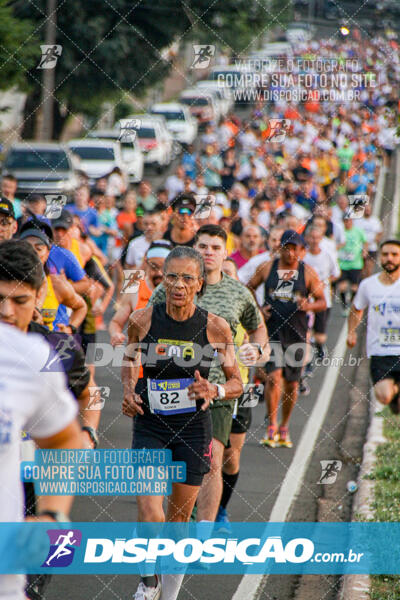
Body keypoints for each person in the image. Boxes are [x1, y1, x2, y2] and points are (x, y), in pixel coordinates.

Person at [122, 246, 243, 600]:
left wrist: (215, 388)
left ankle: (169, 593)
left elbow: (238, 383)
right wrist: (129, 389)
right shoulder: (143, 319)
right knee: (149, 509)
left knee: (178, 521)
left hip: (192, 428)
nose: (178, 284)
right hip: (150, 423)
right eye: (171, 276)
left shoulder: (215, 327)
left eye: (187, 278)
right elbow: (129, 361)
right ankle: (148, 581)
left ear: (199, 284)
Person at [149, 224, 268, 528]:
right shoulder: (169, 288)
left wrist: (257, 347)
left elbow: (258, 326)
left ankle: (202, 536)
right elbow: (147, 325)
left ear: (226, 252)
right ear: (195, 249)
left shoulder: (238, 293)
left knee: (213, 459)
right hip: (172, 386)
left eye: (216, 247)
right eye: (203, 247)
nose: (209, 253)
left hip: (218, 388)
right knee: (176, 466)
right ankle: (179, 525)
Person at [0, 249, 82, 600]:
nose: (6, 312)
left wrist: (53, 516)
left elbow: (65, 441)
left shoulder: (34, 356)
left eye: (18, 301)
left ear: (38, 298)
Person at [248, 230, 326, 448]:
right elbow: (249, 288)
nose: (290, 252)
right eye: (287, 247)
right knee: (274, 377)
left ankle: (284, 426)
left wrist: (308, 306)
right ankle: (271, 425)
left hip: (297, 334)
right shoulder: (267, 268)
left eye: (295, 248)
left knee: (292, 383)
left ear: (302, 251)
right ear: (279, 248)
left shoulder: (307, 273)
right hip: (272, 332)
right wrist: (258, 310)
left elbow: (322, 301)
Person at [347, 240, 400, 413]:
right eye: (385, 255)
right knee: (383, 396)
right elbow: (356, 309)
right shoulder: (368, 285)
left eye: (394, 254)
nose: (389, 258)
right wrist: (351, 332)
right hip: (380, 351)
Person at [19, 223, 87, 333]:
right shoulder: (7, 283)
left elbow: (81, 307)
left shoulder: (56, 284)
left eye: (38, 249)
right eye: (26, 247)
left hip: (50, 347)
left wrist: (70, 329)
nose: (32, 253)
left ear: (47, 254)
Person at [109, 240, 172, 346]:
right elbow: (116, 322)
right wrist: (116, 334)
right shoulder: (134, 288)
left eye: (164, 268)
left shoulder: (180, 291)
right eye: (154, 266)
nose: (159, 273)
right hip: (138, 359)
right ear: (146, 263)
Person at [304, 226, 341, 359]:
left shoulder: (327, 255)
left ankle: (319, 346)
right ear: (307, 238)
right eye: (311, 237)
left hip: (322, 299)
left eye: (317, 238)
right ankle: (306, 360)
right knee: (305, 332)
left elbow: (336, 273)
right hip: (306, 300)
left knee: (320, 335)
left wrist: (324, 282)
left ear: (321, 239)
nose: (314, 240)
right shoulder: (303, 255)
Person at [337, 211, 368, 316]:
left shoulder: (358, 231)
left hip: (355, 264)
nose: (347, 222)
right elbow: (334, 243)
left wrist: (364, 251)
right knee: (342, 287)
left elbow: (365, 241)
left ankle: (352, 304)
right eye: (345, 221)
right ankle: (344, 306)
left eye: (349, 220)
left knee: (355, 287)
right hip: (342, 264)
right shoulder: (340, 232)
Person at [357, 203, 383, 278]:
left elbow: (380, 232)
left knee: (369, 268)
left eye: (368, 210)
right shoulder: (358, 221)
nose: (367, 211)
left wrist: (375, 240)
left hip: (372, 247)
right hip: (360, 248)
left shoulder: (375, 220)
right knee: (361, 269)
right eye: (365, 210)